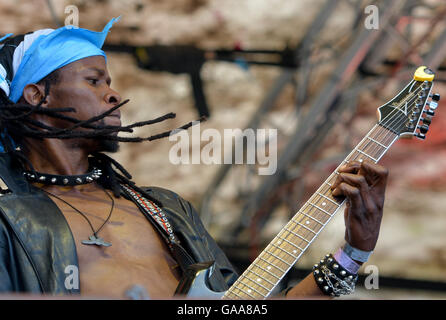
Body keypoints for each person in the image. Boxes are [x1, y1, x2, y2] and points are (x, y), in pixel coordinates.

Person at [0, 18, 388, 299]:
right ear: (37, 95)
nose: (113, 94)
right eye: (94, 80)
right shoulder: (9, 219)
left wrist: (354, 252)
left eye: (110, 81)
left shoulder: (166, 210)